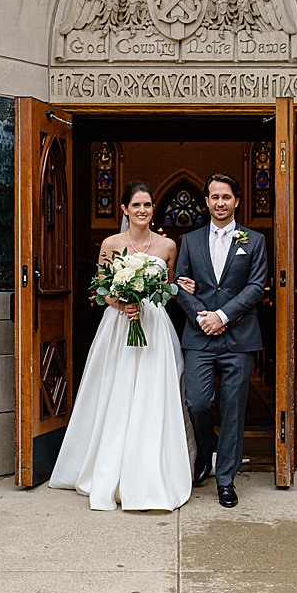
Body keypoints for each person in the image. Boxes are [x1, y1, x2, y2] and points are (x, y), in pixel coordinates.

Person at [48, 181, 192, 512]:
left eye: (148, 205)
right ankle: (112, 467)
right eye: (137, 205)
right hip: (119, 325)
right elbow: (101, 289)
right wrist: (121, 303)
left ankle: (151, 470)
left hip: (154, 326)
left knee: (154, 394)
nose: (143, 210)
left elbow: (167, 289)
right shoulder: (111, 244)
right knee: (117, 391)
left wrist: (179, 286)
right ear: (125, 209)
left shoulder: (168, 245)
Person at [173, 174, 270, 509]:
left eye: (226, 197)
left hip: (239, 338)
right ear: (206, 201)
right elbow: (179, 285)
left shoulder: (254, 241)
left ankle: (225, 479)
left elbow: (256, 288)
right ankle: (204, 448)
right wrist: (203, 316)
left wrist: (223, 316)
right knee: (197, 402)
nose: (219, 202)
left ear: (237, 201)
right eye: (214, 197)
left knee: (233, 410)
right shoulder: (190, 240)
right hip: (199, 337)